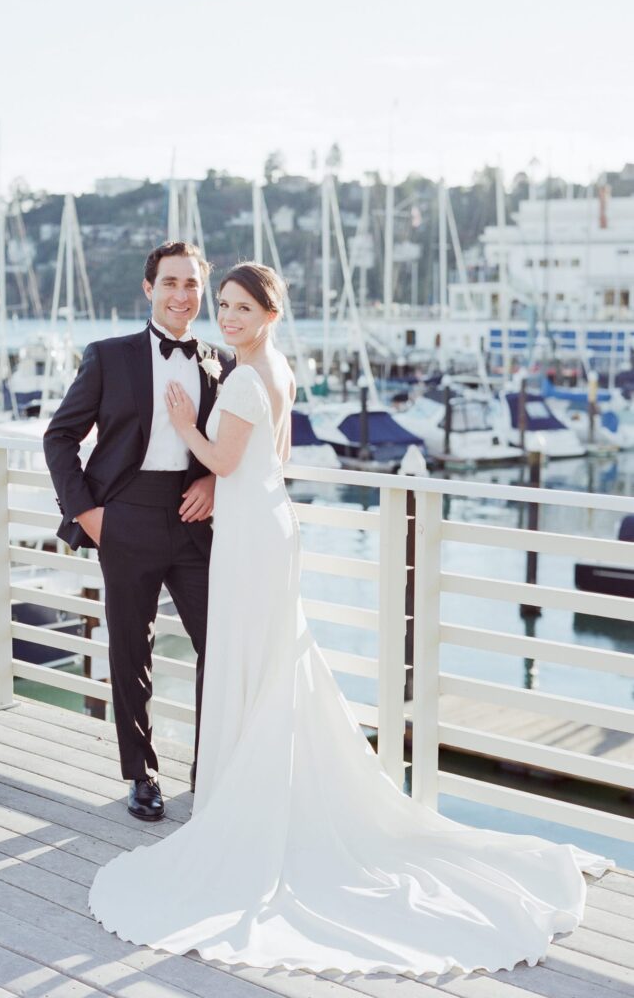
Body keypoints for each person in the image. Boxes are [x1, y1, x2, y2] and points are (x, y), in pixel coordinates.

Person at [89, 262, 613, 977]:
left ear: (269, 313)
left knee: (256, 659)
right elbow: (266, 460)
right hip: (267, 526)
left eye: (242, 307)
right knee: (271, 660)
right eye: (226, 306)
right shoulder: (276, 368)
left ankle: (249, 797)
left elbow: (226, 458)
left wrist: (186, 425)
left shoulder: (242, 375)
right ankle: (254, 782)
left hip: (250, 534)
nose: (228, 317)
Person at [43, 241, 232, 822]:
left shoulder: (221, 363)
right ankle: (142, 774)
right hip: (123, 516)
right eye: (171, 283)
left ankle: (211, 768)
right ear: (149, 289)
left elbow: (236, 448)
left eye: (192, 285)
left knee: (220, 648)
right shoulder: (109, 356)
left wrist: (215, 486)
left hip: (195, 521)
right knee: (131, 651)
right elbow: (60, 438)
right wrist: (89, 515)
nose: (182, 295)